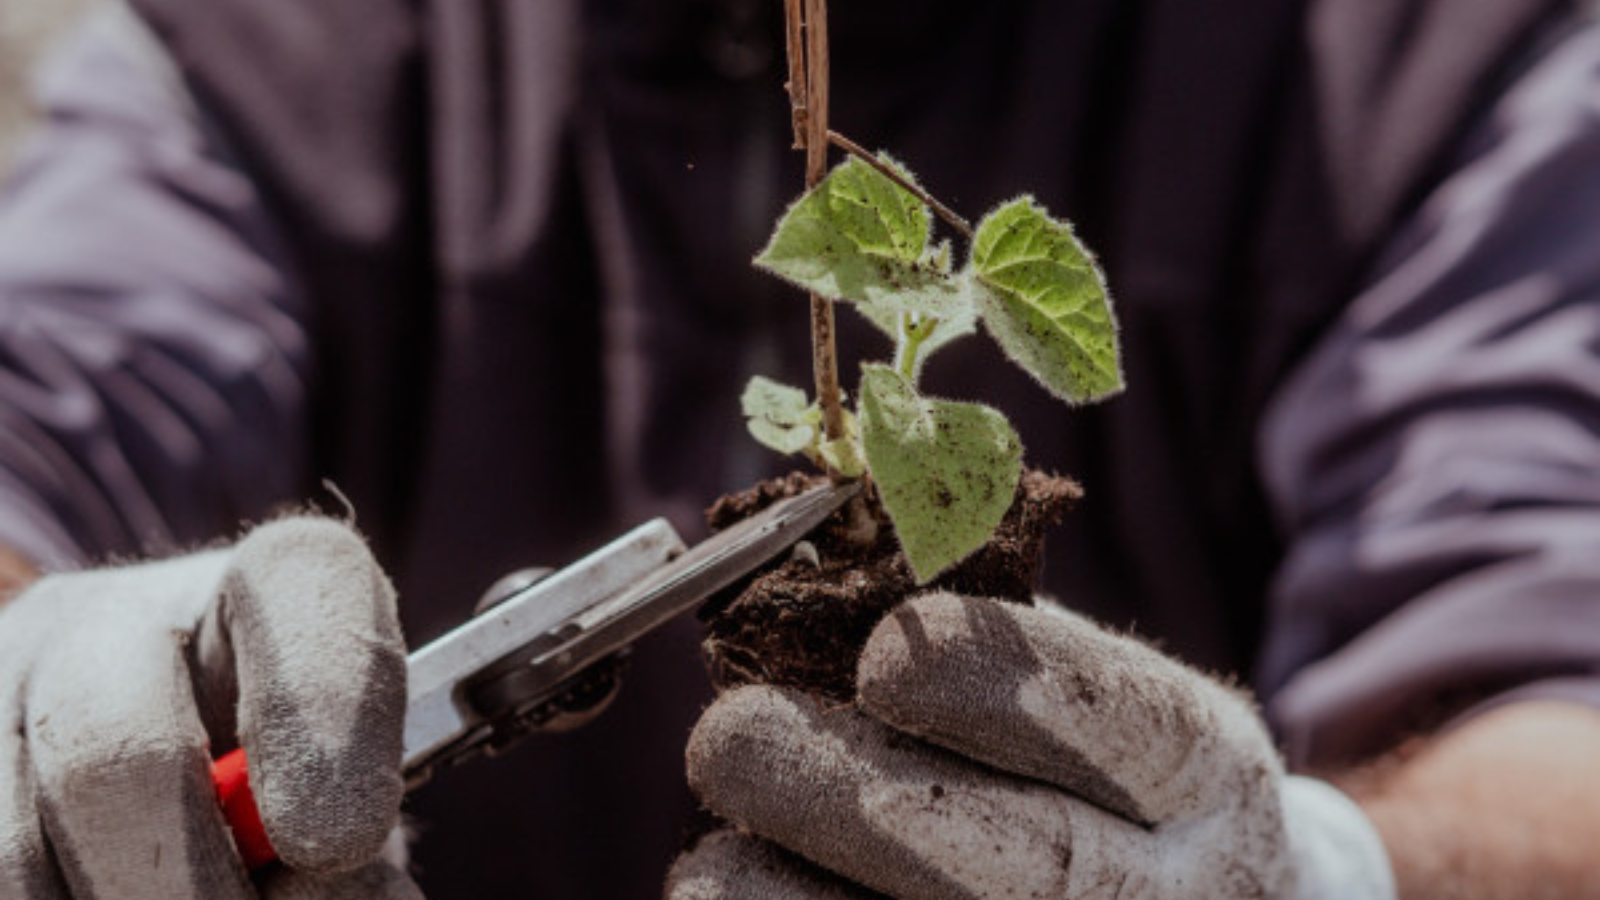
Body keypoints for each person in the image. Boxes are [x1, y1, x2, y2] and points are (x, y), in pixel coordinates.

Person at [2, 0, 1600, 897]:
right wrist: (38, 686)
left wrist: (1315, 873)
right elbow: (40, 406)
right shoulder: (275, 52)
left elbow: (1563, 706)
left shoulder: (1426, 66)